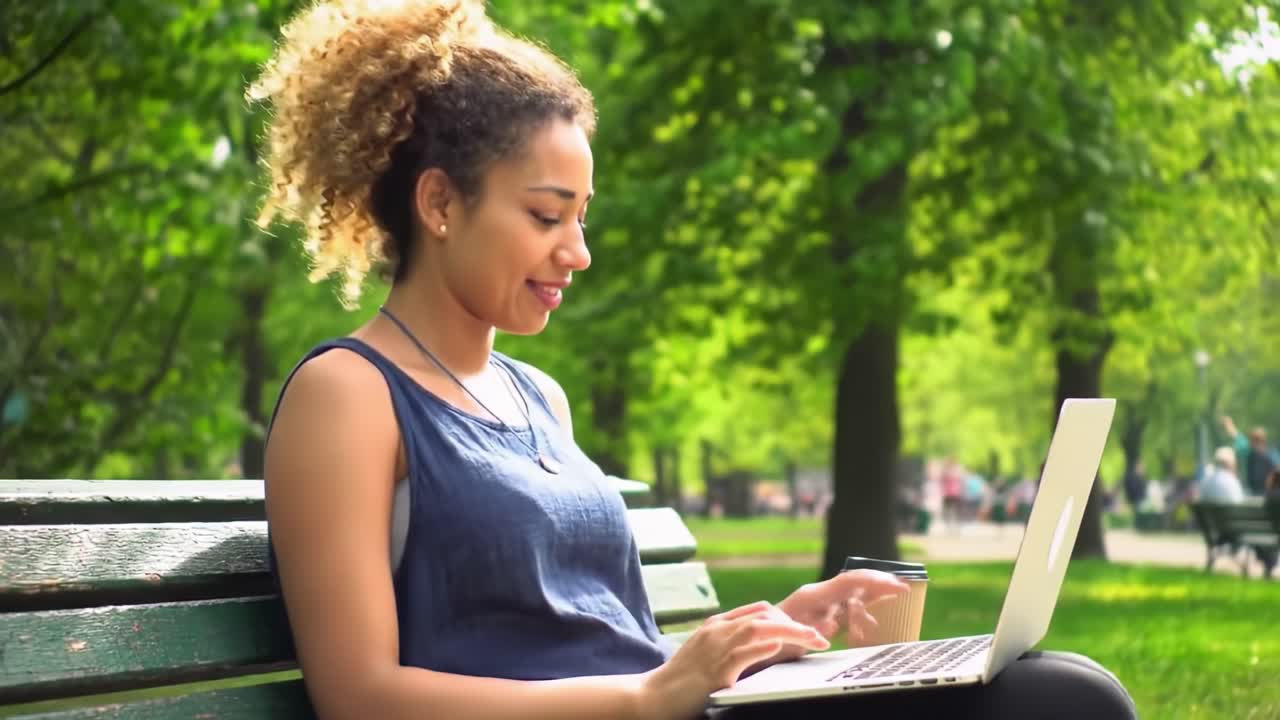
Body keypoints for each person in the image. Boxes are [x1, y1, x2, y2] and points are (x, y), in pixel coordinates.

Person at [251, 2, 1136, 718]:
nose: (579, 251)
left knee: (1061, 691)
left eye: (582, 218)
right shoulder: (349, 396)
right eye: (547, 215)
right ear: (440, 203)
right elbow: (359, 697)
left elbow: (601, 644)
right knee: (1062, 705)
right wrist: (649, 698)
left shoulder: (537, 398)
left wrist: (763, 633)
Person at [1220, 415, 1280, 496]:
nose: (1253, 443)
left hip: (1269, 494)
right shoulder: (1249, 451)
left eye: (1256, 440)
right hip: (1254, 493)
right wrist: (1229, 424)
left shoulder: (1271, 455)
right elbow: (1236, 436)